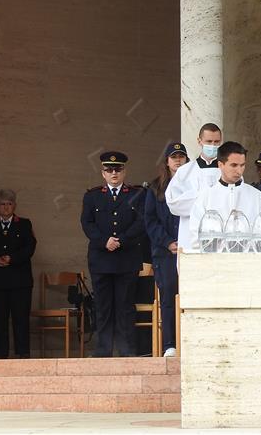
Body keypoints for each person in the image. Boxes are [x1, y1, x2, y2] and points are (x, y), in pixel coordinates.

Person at [81, 152, 145, 357]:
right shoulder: (92, 195)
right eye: (109, 170)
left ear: (124, 171)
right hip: (101, 258)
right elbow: (87, 223)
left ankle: (127, 349)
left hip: (127, 258)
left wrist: (122, 240)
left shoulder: (137, 193)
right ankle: (103, 349)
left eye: (118, 169)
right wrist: (104, 241)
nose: (114, 173)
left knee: (125, 305)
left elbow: (141, 222)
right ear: (103, 173)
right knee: (103, 306)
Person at [0, 189, 36, 359]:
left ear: (14, 205)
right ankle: (0, 354)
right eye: (3, 204)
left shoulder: (24, 224)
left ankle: (23, 353)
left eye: (9, 204)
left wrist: (12, 258)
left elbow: (30, 247)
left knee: (21, 319)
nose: (6, 207)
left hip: (20, 281)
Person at [188, 141, 261, 249]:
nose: (239, 170)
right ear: (220, 164)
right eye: (234, 165)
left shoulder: (256, 196)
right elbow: (195, 236)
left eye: (242, 165)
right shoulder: (206, 197)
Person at [144, 142, 188, 358]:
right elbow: (150, 220)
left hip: (189, 251)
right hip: (165, 252)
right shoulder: (155, 188)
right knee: (169, 297)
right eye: (174, 157)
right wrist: (168, 242)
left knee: (190, 297)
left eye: (181, 157)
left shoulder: (193, 185)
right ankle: (170, 343)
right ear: (167, 161)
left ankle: (188, 340)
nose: (178, 160)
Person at [165, 123, 223, 251]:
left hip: (221, 235)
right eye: (209, 141)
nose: (213, 145)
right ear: (199, 141)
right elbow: (173, 203)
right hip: (191, 235)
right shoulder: (184, 172)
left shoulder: (228, 171)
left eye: (216, 142)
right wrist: (208, 199)